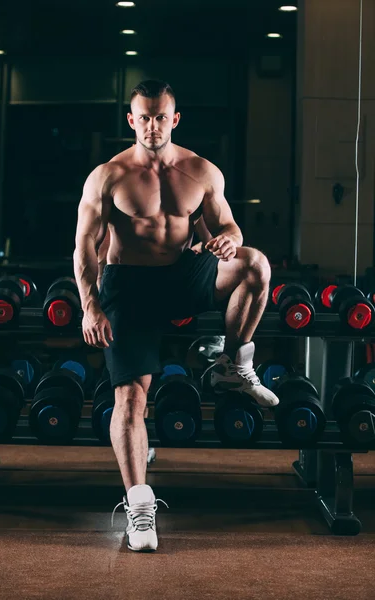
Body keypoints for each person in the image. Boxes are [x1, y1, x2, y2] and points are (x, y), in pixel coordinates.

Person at [73, 80, 279, 553]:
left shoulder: (201, 171)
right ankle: (139, 509)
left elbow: (227, 223)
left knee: (254, 263)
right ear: (131, 120)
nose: (151, 125)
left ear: (175, 118)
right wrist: (91, 304)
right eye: (143, 117)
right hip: (129, 287)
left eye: (160, 116)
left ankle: (233, 365)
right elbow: (84, 248)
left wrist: (226, 238)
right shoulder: (108, 176)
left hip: (182, 275)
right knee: (130, 399)